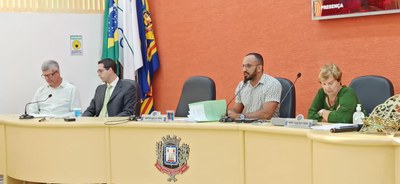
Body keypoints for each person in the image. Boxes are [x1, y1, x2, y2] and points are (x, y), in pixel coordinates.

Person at [227, 53, 282, 120]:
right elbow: (236, 110)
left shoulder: (272, 84)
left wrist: (240, 116)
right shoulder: (242, 85)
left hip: (266, 127)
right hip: (245, 126)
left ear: (259, 68)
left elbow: (266, 114)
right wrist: (230, 113)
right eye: (243, 66)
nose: (244, 70)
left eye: (248, 66)